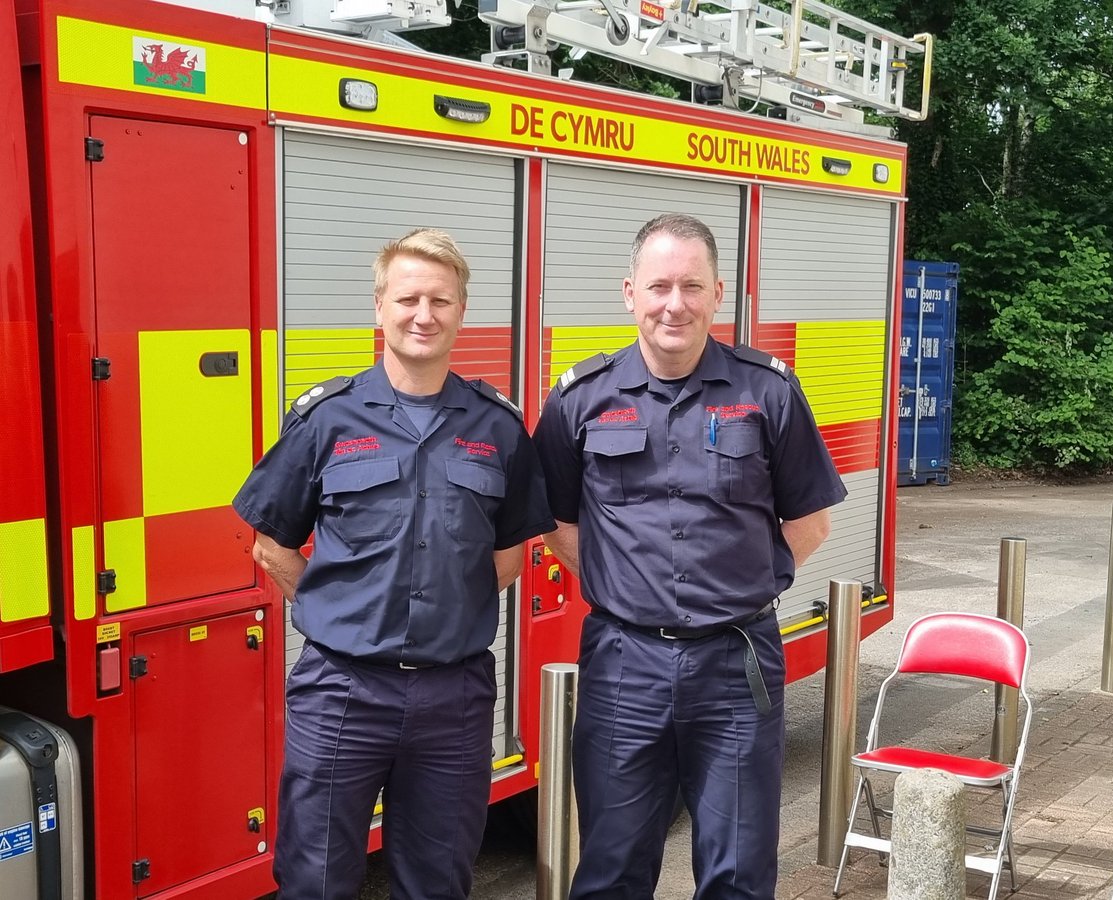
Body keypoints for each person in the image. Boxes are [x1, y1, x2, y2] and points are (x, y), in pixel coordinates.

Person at [233, 228, 555, 900]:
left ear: (462, 311)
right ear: (379, 307)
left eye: (441, 300)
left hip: (453, 697)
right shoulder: (327, 419)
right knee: (316, 880)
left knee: (438, 881)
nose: (423, 314)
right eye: (407, 298)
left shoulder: (497, 427)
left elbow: (507, 558)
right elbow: (271, 544)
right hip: (341, 689)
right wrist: (336, 610)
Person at [532, 213, 847, 899]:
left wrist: (740, 583)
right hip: (623, 664)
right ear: (629, 293)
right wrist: (626, 587)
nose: (674, 303)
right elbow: (555, 521)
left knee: (736, 871)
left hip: (736, 662)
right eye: (659, 286)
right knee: (612, 868)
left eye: (691, 287)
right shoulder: (577, 400)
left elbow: (811, 520)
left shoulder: (767, 391)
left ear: (717, 294)